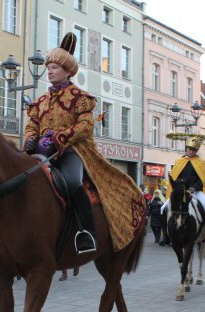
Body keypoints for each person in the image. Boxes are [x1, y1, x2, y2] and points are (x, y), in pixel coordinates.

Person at [24, 32, 146, 254]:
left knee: (72, 183)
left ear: (68, 72)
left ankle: (86, 233)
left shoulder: (81, 98)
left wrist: (59, 139)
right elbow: (32, 124)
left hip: (71, 152)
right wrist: (30, 139)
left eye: (55, 67)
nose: (49, 71)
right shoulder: (39, 101)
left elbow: (85, 126)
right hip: (41, 152)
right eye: (48, 66)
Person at [165, 136, 205, 240]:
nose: (191, 151)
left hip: (195, 191)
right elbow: (176, 177)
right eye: (189, 149)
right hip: (181, 192)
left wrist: (193, 188)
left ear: (196, 151)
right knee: (163, 207)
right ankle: (165, 234)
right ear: (186, 149)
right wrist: (179, 187)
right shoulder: (179, 161)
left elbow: (203, 180)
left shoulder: (201, 163)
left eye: (193, 150)